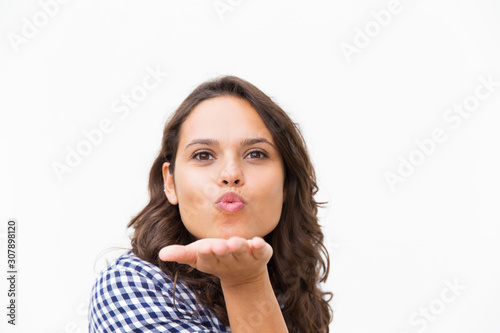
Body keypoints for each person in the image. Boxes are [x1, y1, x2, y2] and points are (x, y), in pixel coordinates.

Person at [88, 75, 333, 332]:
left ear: (285, 184)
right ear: (170, 183)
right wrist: (245, 282)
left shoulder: (292, 289)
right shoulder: (129, 286)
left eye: (256, 154)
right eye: (203, 155)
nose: (230, 174)